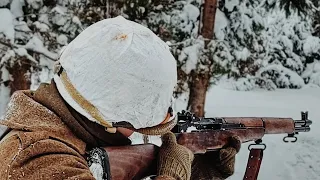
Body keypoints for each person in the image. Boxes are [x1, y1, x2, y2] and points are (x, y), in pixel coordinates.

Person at [0, 16, 240, 180]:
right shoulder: (37, 159)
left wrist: (202, 169)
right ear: (111, 115)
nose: (139, 133)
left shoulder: (70, 133)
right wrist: (174, 173)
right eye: (139, 125)